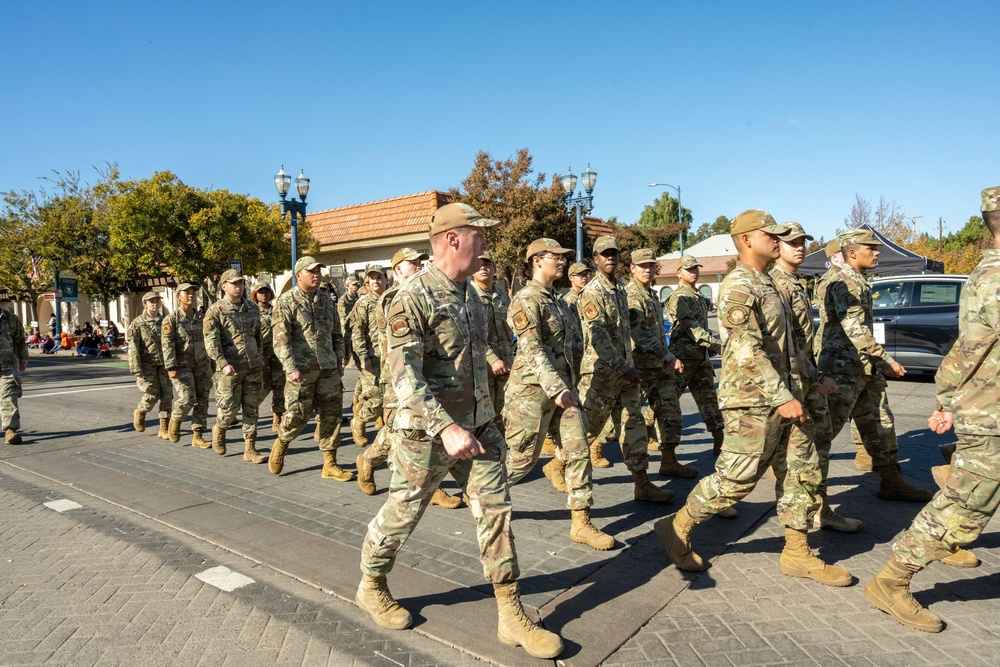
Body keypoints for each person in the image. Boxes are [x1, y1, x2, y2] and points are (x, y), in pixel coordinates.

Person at [357, 203, 563, 660]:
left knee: (497, 512)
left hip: (479, 427)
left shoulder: (470, 294)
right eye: (480, 235)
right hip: (426, 435)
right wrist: (446, 426)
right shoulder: (410, 297)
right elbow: (404, 376)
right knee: (403, 514)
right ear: (453, 239)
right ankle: (372, 584)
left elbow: (477, 356)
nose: (486, 244)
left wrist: (490, 411)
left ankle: (510, 612)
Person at [656, 210, 852, 587]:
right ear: (746, 239)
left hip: (789, 396)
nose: (777, 241)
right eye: (770, 235)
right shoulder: (739, 285)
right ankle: (676, 528)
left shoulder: (772, 282)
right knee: (737, 480)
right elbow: (746, 350)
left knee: (802, 469)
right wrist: (781, 396)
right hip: (752, 401)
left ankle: (797, 552)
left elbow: (790, 347)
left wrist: (813, 378)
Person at [863, 186, 1000, 633]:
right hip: (989, 413)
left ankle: (952, 473)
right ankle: (892, 580)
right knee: (963, 505)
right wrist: (948, 400)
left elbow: (968, 346)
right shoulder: (996, 275)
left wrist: (945, 399)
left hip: (985, 409)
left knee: (970, 499)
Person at [503, 237, 614, 550]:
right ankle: (483, 493)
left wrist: (574, 384)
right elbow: (532, 350)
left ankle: (581, 522)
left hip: (563, 391)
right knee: (522, 460)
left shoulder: (560, 301)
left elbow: (574, 347)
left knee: (578, 451)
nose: (564, 261)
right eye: (557, 257)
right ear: (538, 260)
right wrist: (556, 388)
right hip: (531, 394)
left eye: (565, 257)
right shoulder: (526, 299)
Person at [819, 229, 932, 503]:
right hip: (842, 370)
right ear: (852, 252)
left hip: (863, 369)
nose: (877, 252)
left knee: (881, 423)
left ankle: (891, 481)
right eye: (871, 248)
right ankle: (811, 495)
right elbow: (854, 328)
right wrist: (886, 360)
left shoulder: (858, 280)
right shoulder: (845, 282)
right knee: (824, 432)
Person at [770, 223, 861, 532]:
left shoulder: (795, 282)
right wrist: (812, 376)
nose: (799, 247)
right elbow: (784, 345)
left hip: (807, 379)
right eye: (791, 242)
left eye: (802, 242)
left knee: (818, 445)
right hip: (791, 383)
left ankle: (820, 508)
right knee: (767, 458)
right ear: (776, 246)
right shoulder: (776, 284)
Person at [357, 247, 463, 507]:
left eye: (419, 262)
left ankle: (427, 482)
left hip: (430, 377)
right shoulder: (394, 297)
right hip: (399, 379)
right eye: (411, 263)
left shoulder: (429, 293)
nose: (418, 266)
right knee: (401, 432)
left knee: (421, 430)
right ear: (397, 270)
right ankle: (371, 461)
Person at [576, 235, 674, 502]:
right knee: (587, 429)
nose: (610, 257)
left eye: (614, 253)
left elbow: (626, 333)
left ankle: (642, 483)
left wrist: (629, 367)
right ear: (595, 260)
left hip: (626, 373)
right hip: (601, 375)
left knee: (634, 425)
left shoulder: (619, 290)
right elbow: (599, 338)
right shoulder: (592, 292)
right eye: (604, 254)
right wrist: (623, 367)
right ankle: (559, 463)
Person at [268, 257, 351, 480]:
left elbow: (336, 334)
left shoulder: (327, 301)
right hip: (301, 371)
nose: (317, 275)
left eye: (318, 271)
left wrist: (339, 360)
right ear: (299, 275)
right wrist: (290, 367)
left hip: (328, 368)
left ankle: (330, 463)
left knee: (332, 415)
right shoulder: (286, 302)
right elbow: (280, 339)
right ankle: (282, 442)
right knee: (297, 415)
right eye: (311, 271)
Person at [626, 248, 697, 479]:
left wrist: (665, 357)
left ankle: (669, 461)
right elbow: (641, 333)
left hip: (660, 366)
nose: (647, 270)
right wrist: (668, 356)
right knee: (629, 420)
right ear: (632, 269)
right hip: (640, 368)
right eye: (642, 266)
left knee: (671, 413)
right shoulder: (631, 295)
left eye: (650, 265)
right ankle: (639, 478)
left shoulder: (650, 294)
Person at [665, 255, 725, 456]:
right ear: (679, 273)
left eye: (695, 269)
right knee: (668, 400)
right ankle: (651, 432)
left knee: (709, 400)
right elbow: (691, 327)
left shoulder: (698, 296)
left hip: (700, 359)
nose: (694, 272)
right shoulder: (680, 298)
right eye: (689, 269)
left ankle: (720, 440)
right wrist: (716, 345)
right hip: (682, 359)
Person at [204, 269, 266, 462]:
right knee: (228, 409)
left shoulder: (253, 308)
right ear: (224, 286)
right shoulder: (216, 310)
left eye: (241, 283)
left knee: (251, 408)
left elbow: (258, 336)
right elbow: (211, 341)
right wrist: (222, 364)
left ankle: (250, 449)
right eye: (234, 284)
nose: (239, 287)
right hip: (230, 369)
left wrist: (260, 357)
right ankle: (220, 430)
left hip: (252, 366)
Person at [162, 282, 212, 448]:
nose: (191, 295)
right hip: (182, 365)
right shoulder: (171, 320)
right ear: (178, 297)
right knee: (187, 398)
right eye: (186, 293)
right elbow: (167, 345)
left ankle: (198, 435)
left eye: (193, 292)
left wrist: (212, 362)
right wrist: (171, 367)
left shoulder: (202, 317)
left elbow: (210, 340)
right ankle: (175, 419)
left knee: (203, 400)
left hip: (202, 364)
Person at [470, 251, 514, 427]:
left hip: (506, 366)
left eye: (488, 264)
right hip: (482, 367)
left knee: (505, 415)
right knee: (483, 417)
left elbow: (511, 330)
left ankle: (500, 452)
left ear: (494, 269)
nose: (483, 267)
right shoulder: (468, 297)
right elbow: (473, 334)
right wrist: (493, 359)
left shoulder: (503, 297)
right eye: (479, 264)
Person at [350, 265, 388, 447]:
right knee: (376, 399)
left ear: (387, 280)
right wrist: (363, 357)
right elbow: (357, 332)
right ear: (367, 283)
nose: (376, 281)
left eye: (379, 277)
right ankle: (359, 421)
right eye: (372, 278)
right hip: (372, 359)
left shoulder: (393, 300)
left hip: (391, 359)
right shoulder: (363, 304)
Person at [128, 292, 172, 438]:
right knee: (152, 393)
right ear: (144, 304)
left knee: (167, 395)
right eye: (151, 302)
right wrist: (136, 367)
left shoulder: (166, 321)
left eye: (157, 301)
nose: (155, 304)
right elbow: (133, 347)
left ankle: (164, 428)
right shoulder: (137, 323)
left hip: (165, 363)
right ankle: (141, 411)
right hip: (147, 364)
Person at [251, 282, 284, 433]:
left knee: (279, 387)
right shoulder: (251, 311)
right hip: (261, 355)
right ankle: (250, 412)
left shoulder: (277, 310)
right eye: (260, 292)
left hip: (278, 354)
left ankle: (277, 418)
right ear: (255, 295)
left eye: (266, 292)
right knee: (262, 387)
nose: (264, 295)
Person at [1, 300, 28, 445]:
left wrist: (23, 358)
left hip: (7, 365)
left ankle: (9, 430)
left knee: (9, 394)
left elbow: (20, 341)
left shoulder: (11, 319)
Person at [338, 276, 361, 367]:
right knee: (345, 359)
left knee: (360, 357)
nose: (356, 286)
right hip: (347, 333)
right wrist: (355, 313)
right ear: (347, 285)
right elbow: (343, 319)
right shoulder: (343, 301)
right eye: (354, 284)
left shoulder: (358, 299)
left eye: (357, 284)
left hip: (357, 331)